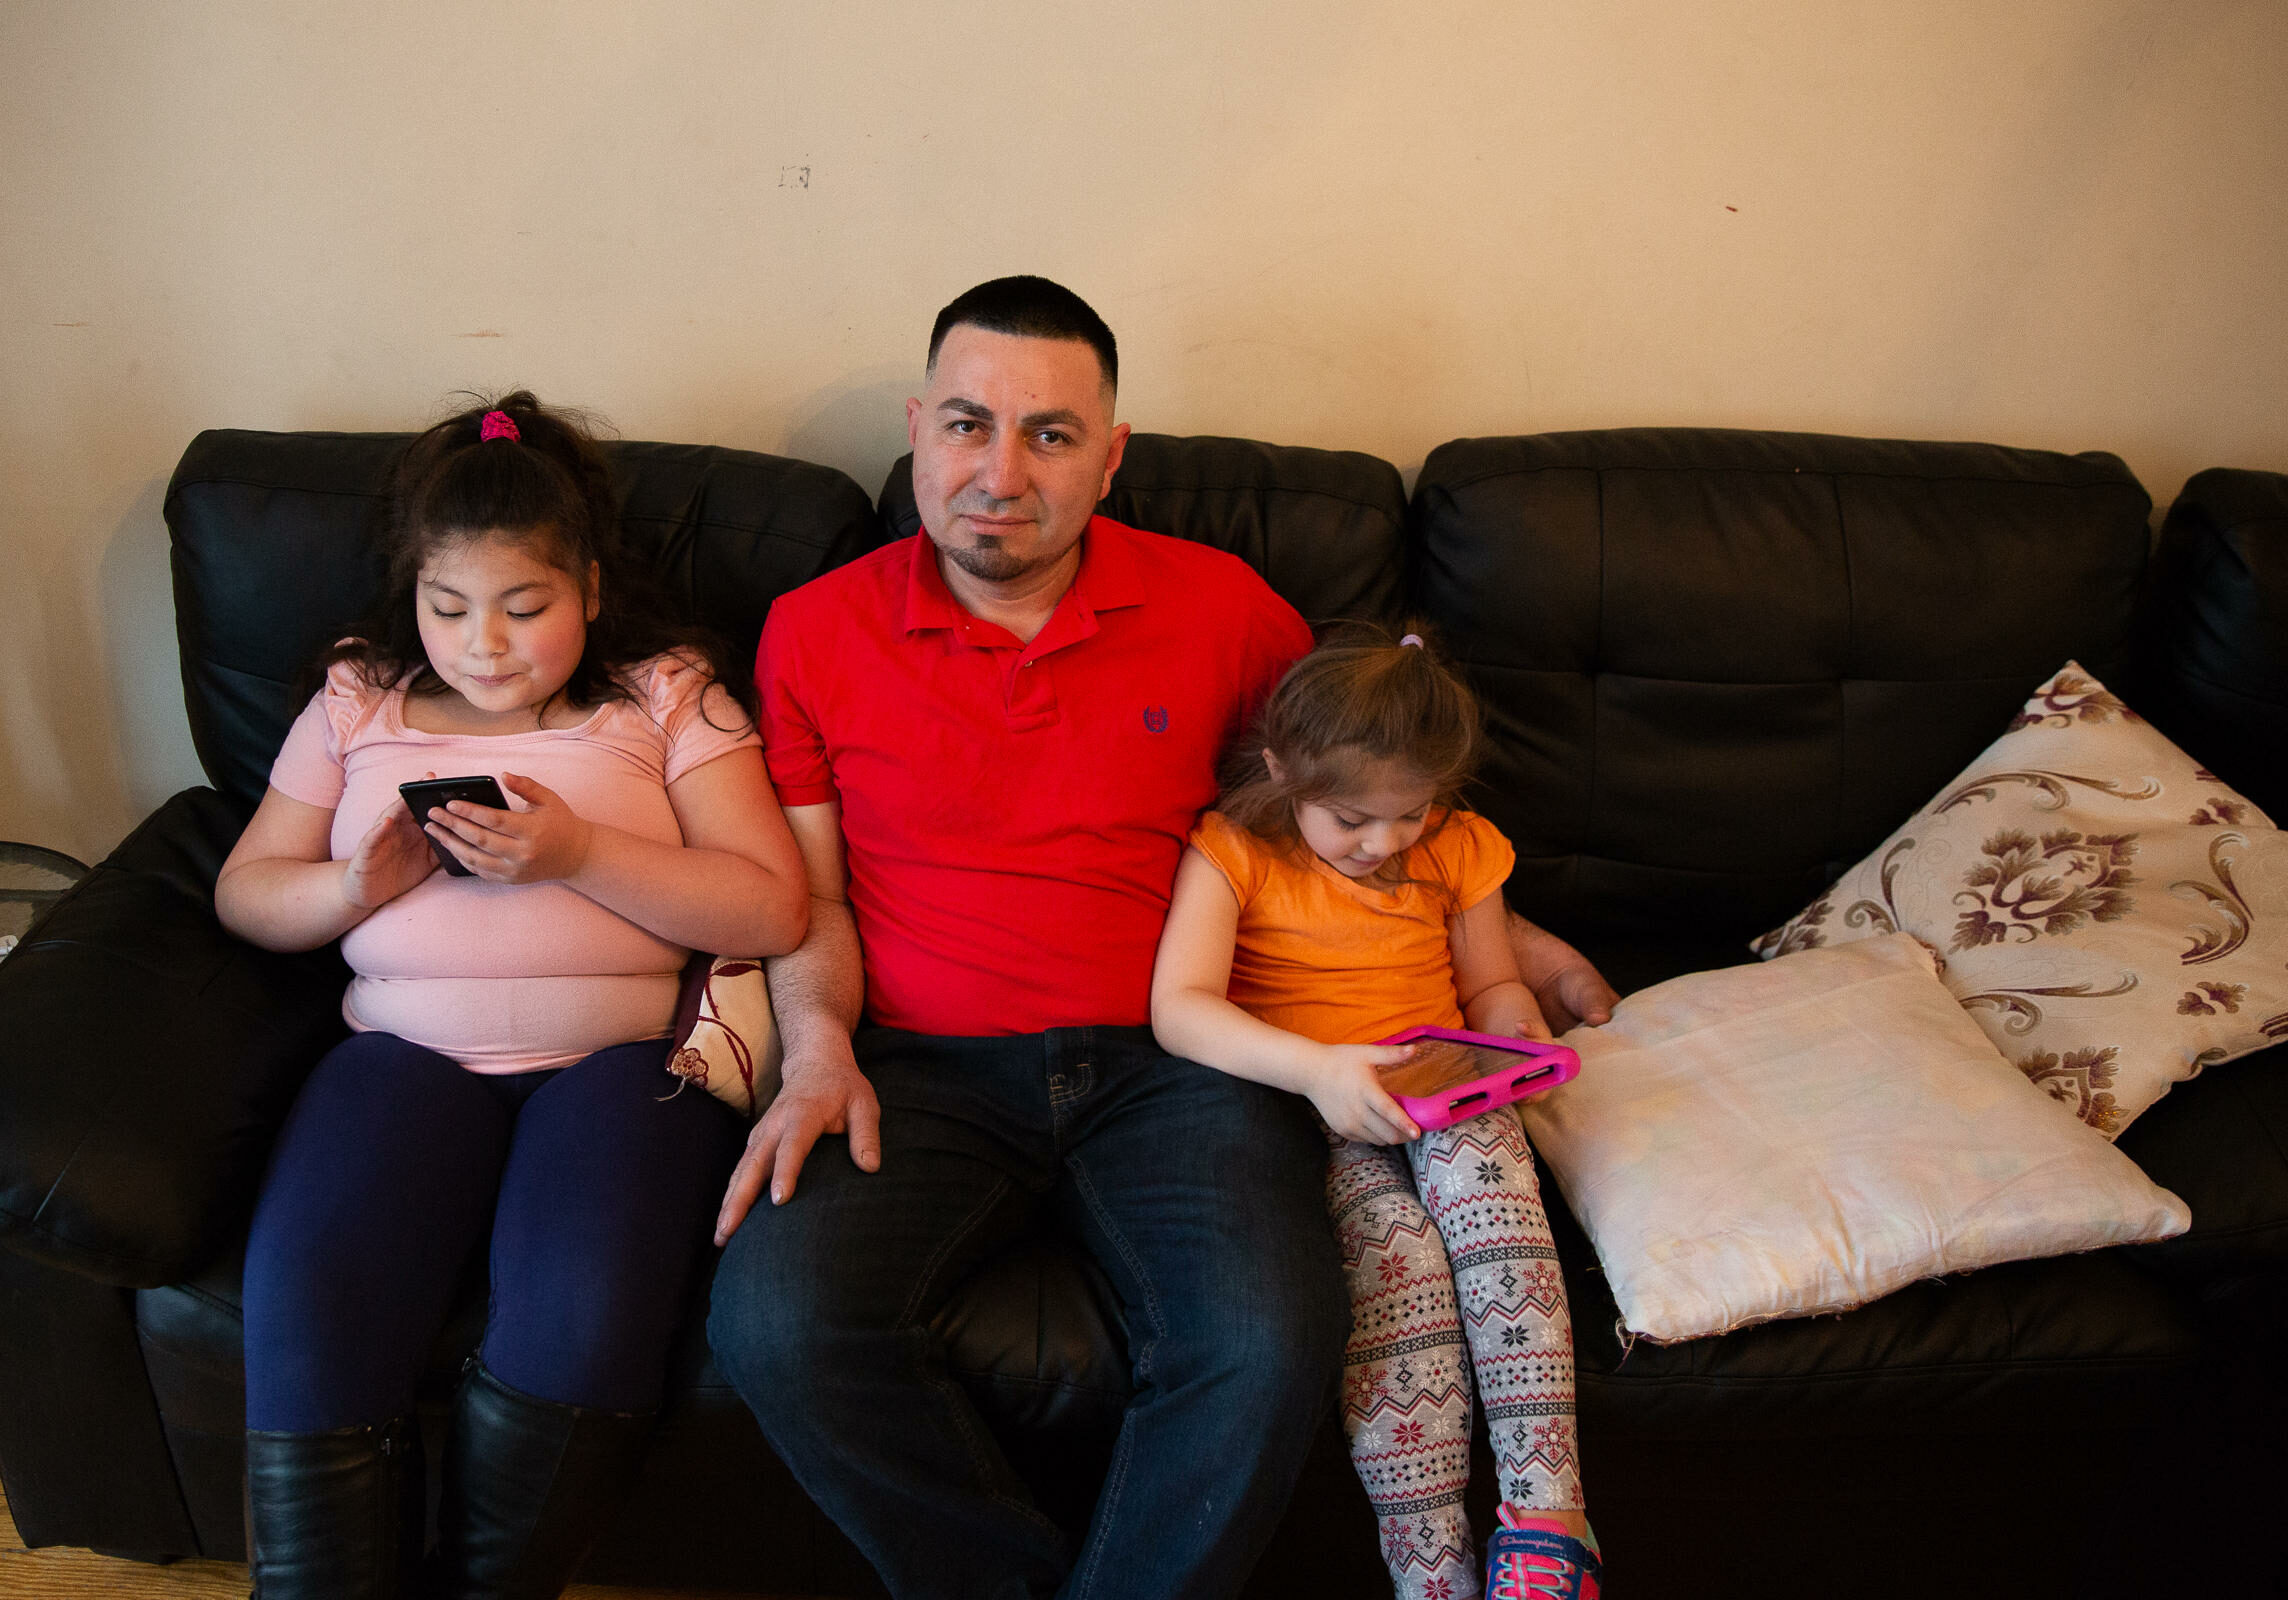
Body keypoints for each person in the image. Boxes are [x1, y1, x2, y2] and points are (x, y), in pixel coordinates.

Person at [705, 275, 1617, 1600]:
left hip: (1180, 1067)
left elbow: (1355, 817)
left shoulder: (1227, 612)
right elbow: (814, 898)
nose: (999, 472)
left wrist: (1515, 944)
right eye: (967, 424)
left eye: (1051, 435)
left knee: (1266, 1336)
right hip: (921, 1065)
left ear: (1112, 454)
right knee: (779, 1326)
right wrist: (816, 1049)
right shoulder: (815, 630)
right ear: (916, 429)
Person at [214, 391, 809, 1600]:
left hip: (622, 1065)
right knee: (310, 1293)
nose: (483, 642)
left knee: (582, 1318)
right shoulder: (358, 696)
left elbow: (771, 908)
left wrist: (580, 852)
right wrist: (349, 884)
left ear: (589, 586)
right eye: (448, 608)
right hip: (400, 1057)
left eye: (524, 606)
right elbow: (243, 893)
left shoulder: (667, 694)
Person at [1149, 625, 1603, 1600]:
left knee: (1495, 1210)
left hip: (1446, 1088)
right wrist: (1315, 1071)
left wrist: (1514, 1028)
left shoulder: (1455, 848)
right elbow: (1177, 1008)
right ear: (1282, 768)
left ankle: (1547, 1516)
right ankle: (1429, 1574)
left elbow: (1486, 987)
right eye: (1353, 817)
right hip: (1314, 1108)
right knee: (1400, 1270)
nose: (1385, 841)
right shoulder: (1233, 849)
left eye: (1411, 812)